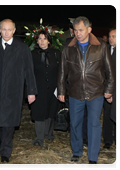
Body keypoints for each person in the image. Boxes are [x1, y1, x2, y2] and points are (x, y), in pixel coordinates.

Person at [57, 16, 115, 168]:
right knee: (75, 123)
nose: (77, 33)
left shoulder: (101, 46)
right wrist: (61, 90)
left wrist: (109, 90)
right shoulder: (68, 47)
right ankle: (76, 151)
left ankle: (93, 158)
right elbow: (62, 71)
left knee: (94, 124)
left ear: (89, 29)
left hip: (95, 92)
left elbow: (110, 71)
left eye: (81, 30)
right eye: (75, 30)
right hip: (75, 92)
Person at [0, 19, 37, 163]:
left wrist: (31, 91)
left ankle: (5, 151)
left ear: (14, 31)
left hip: (14, 90)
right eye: (4, 29)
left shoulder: (22, 48)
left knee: (10, 122)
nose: (6, 32)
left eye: (9, 30)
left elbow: (29, 70)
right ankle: (3, 138)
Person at [30, 30, 61, 146]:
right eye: (40, 39)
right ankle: (39, 137)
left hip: (53, 87)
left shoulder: (56, 53)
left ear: (49, 40)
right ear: (37, 41)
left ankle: (49, 134)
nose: (42, 41)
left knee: (50, 110)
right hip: (38, 87)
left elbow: (61, 71)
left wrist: (60, 88)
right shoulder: (32, 54)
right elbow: (29, 72)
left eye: (44, 38)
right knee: (39, 111)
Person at [102, 28, 118, 149]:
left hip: (117, 89)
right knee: (107, 114)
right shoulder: (106, 50)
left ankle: (117, 138)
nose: (111, 39)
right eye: (110, 36)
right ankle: (107, 140)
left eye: (114, 36)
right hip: (107, 88)